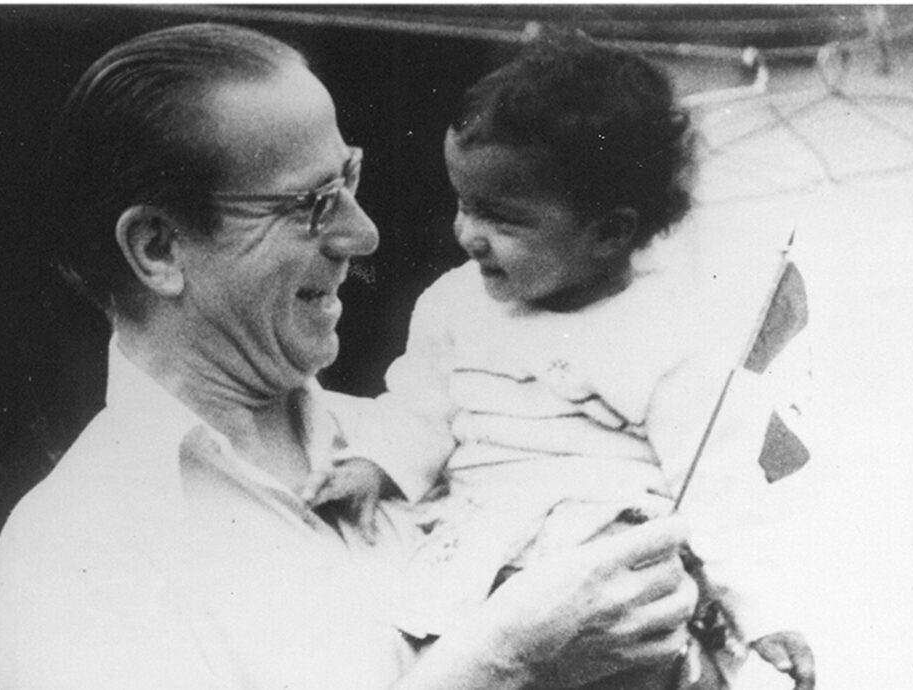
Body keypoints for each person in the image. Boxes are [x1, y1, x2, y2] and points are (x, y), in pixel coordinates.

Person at [0, 23, 701, 690]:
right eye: (312, 204)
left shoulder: (455, 435)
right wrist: (503, 664)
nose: (364, 235)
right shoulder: (73, 557)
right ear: (159, 249)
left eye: (348, 180)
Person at [303, 31, 815, 690]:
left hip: (607, 561)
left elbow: (721, 486)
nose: (467, 234)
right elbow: (420, 409)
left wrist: (764, 613)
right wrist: (377, 466)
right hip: (481, 557)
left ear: (608, 232)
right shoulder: (456, 304)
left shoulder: (670, 333)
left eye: (503, 219)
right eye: (463, 203)